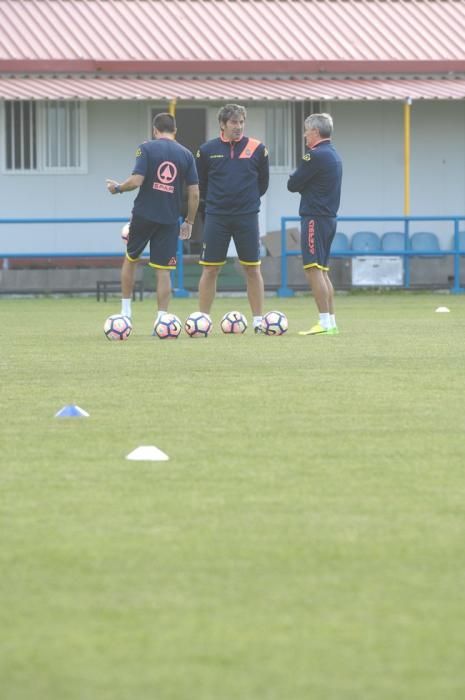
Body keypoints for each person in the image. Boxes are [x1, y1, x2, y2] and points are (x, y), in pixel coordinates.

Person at [106, 112, 199, 325]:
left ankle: (125, 313)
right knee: (163, 270)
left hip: (144, 214)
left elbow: (137, 180)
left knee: (131, 259)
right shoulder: (186, 155)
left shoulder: (146, 148)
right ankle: (162, 319)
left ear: (155, 130)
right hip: (169, 218)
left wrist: (117, 188)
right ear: (175, 131)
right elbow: (194, 193)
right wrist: (189, 222)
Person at [195, 104, 269, 332]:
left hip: (247, 217)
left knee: (252, 269)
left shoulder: (258, 148)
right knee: (210, 269)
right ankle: (203, 321)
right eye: (234, 123)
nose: (238, 127)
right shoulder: (207, 150)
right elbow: (201, 185)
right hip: (216, 217)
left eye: (241, 122)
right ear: (223, 125)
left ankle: (258, 321)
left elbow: (262, 184)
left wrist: (245, 202)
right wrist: (216, 204)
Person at [287, 113, 343, 335]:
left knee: (313, 269)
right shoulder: (334, 154)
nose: (304, 135)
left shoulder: (315, 156)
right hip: (328, 218)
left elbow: (293, 183)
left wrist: (302, 184)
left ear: (315, 132)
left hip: (314, 218)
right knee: (323, 270)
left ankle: (323, 322)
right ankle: (330, 322)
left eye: (306, 130)